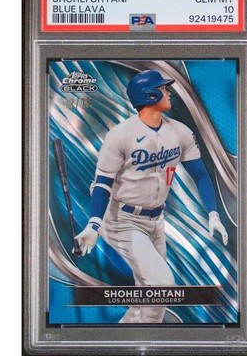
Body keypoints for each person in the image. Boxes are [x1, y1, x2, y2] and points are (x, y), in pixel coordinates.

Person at [75, 69, 228, 323]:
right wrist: (94, 224)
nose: (168, 92)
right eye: (163, 88)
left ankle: (126, 337)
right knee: (161, 286)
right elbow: (102, 183)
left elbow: (200, 174)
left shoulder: (179, 132)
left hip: (156, 221)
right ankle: (146, 338)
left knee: (146, 298)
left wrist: (213, 214)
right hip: (122, 219)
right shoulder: (120, 135)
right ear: (149, 95)